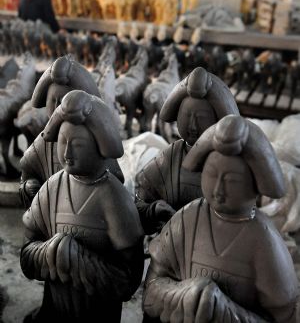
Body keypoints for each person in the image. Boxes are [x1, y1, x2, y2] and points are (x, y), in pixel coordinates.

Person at [143, 115, 299, 323]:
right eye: (212, 175)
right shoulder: (188, 218)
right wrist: (184, 295)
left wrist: (224, 311)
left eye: (232, 180)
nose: (218, 190)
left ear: (255, 184)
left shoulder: (264, 240)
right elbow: (151, 287)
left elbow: (284, 317)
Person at [21, 90, 144, 323]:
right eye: (63, 142)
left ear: (99, 147)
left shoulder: (114, 197)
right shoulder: (53, 186)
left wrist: (80, 260)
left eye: (76, 144)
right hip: (55, 310)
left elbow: (127, 282)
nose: (66, 153)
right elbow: (26, 256)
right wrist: (47, 253)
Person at [135, 67, 239, 234]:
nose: (192, 126)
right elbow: (141, 196)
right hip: (170, 243)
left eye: (201, 118)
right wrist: (153, 210)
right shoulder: (171, 156)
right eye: (185, 115)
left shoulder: (230, 164)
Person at [20, 55, 124, 208]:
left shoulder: (93, 141)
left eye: (62, 101)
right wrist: (29, 185)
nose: (56, 106)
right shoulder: (42, 142)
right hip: (50, 213)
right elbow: (28, 173)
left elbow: (115, 179)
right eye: (52, 100)